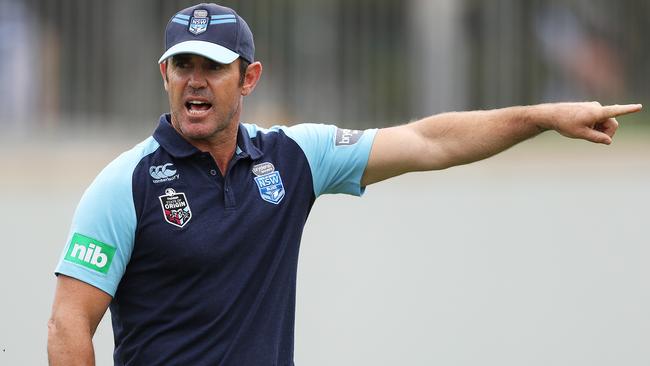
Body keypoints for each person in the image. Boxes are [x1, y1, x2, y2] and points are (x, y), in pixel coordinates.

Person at [47, 3, 642, 366]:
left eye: (212, 67)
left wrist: (539, 118)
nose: (194, 81)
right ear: (165, 74)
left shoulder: (292, 158)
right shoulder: (124, 183)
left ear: (248, 77)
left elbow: (429, 141)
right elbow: (69, 323)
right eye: (183, 66)